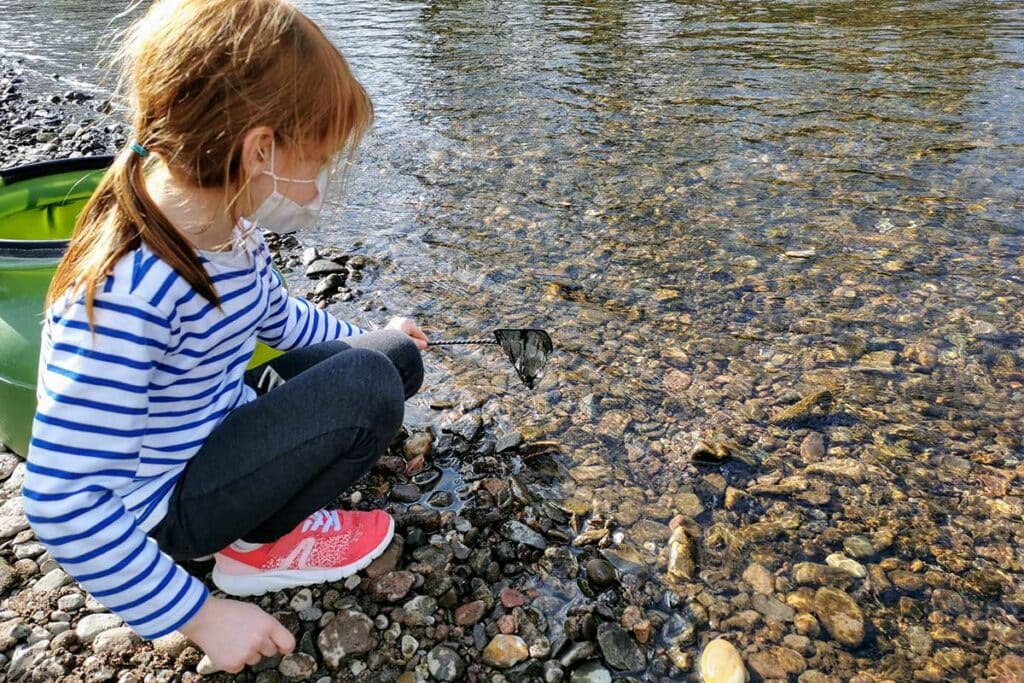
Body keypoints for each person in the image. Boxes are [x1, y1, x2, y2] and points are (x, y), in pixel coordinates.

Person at [21, 0, 428, 673]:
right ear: (259, 149)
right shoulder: (130, 293)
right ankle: (254, 546)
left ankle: (265, 491)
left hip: (213, 423)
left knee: (394, 358)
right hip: (171, 509)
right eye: (318, 161)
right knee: (372, 388)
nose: (319, 187)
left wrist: (371, 332)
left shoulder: (227, 226)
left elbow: (279, 320)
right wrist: (197, 614)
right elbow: (63, 499)